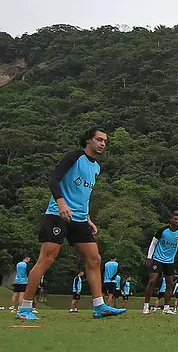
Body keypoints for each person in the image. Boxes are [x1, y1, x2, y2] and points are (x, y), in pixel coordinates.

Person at [14, 128, 125, 320]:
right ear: (88, 140)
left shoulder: (96, 167)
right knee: (47, 258)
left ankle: (99, 306)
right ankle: (24, 308)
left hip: (80, 220)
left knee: (94, 259)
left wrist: (88, 218)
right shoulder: (73, 157)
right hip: (58, 215)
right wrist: (61, 202)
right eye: (99, 140)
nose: (103, 144)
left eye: (105, 142)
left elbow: (84, 195)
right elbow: (54, 179)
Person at [142, 211, 178, 315]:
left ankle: (166, 308)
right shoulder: (162, 230)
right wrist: (149, 257)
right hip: (158, 259)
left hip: (170, 261)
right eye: (175, 219)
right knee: (152, 281)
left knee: (169, 284)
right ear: (171, 220)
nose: (176, 221)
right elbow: (153, 243)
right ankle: (146, 306)